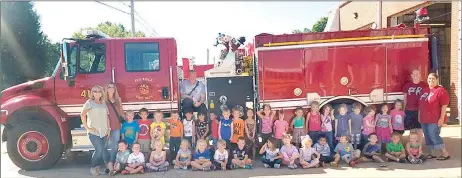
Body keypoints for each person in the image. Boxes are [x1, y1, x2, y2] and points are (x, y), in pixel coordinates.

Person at [419, 73, 450, 160]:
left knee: (434, 135)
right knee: (427, 135)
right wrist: (419, 116)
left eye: (433, 79)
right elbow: (420, 105)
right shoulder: (424, 90)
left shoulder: (441, 91)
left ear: (437, 80)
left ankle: (445, 153)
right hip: (424, 118)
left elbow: (444, 106)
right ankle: (431, 153)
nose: (431, 80)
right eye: (429, 79)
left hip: (434, 119)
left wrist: (441, 119)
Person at [81, 85, 111, 176]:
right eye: (95, 91)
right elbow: (82, 114)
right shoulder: (89, 102)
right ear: (92, 93)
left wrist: (109, 129)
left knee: (102, 150)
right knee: (99, 150)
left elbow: (107, 117)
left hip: (104, 131)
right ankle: (93, 168)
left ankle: (97, 169)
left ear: (102, 93)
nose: (97, 93)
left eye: (99, 91)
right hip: (94, 132)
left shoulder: (103, 103)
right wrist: (87, 127)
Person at [105, 83, 125, 174]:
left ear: (115, 89)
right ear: (106, 89)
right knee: (104, 146)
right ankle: (107, 164)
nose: (111, 89)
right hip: (106, 127)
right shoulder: (103, 100)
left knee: (114, 146)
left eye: (113, 87)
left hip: (116, 126)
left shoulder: (118, 99)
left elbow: (121, 112)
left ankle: (112, 163)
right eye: (109, 87)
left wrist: (128, 120)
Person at [403, 69, 426, 144]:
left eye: (417, 74)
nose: (416, 75)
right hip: (409, 110)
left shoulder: (424, 85)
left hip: (420, 110)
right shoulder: (407, 85)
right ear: (411, 75)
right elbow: (405, 98)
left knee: (420, 129)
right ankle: (412, 147)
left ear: (420, 75)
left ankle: (419, 147)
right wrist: (403, 109)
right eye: (414, 74)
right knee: (411, 130)